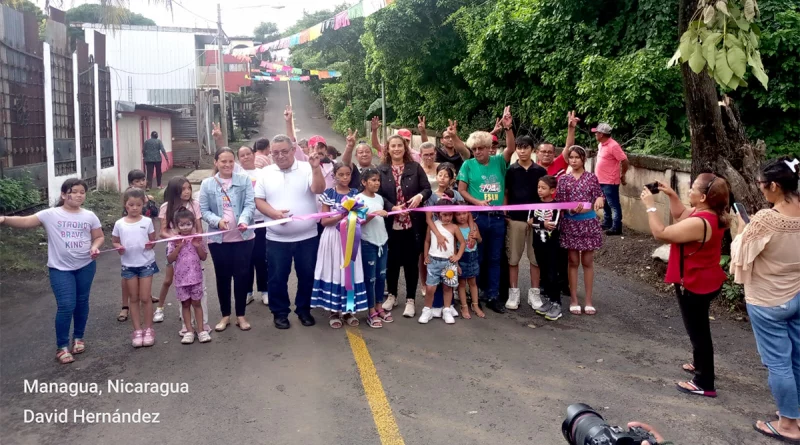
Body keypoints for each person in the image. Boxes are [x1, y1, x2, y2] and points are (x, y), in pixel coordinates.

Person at [641, 173, 730, 398]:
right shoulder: (712, 213)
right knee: (698, 330)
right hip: (708, 278)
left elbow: (661, 233)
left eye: (692, 189)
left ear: (702, 197)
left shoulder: (700, 222)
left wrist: (651, 207)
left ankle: (704, 382)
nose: (688, 191)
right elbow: (680, 213)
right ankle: (700, 363)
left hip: (695, 282)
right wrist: (671, 195)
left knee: (698, 332)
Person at [730, 157, 800, 441]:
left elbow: (741, 254)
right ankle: (794, 413)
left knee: (778, 363)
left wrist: (740, 229)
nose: (760, 189)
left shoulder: (767, 219)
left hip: (767, 299)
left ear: (774, 185)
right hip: (796, 292)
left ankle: (787, 425)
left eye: (761, 184)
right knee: (796, 357)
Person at [0, 179, 103, 364]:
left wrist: (95, 247)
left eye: (82, 192)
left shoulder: (89, 216)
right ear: (64, 194)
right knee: (66, 305)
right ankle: (62, 347)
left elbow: (99, 237)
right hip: (60, 268)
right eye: (75, 191)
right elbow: (25, 221)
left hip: (86, 266)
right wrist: (5, 219)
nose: (79, 195)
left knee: (82, 302)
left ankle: (78, 338)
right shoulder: (50, 214)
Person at [255, 135, 326, 330]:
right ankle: (280, 313)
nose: (279, 156)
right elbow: (259, 200)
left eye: (284, 151)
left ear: (293, 150)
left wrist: (315, 168)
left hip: (308, 236)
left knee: (307, 274)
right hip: (276, 238)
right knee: (277, 277)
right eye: (275, 152)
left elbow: (319, 189)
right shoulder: (266, 172)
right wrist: (273, 213)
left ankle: (304, 310)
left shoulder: (307, 167)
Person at [456, 107, 516, 313]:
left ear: (488, 147)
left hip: (497, 218)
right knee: (476, 256)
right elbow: (462, 190)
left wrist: (508, 128)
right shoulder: (468, 166)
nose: (477, 152)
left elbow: (511, 149)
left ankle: (493, 295)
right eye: (474, 149)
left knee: (495, 257)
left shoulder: (499, 162)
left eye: (481, 148)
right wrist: (476, 202)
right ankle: (477, 293)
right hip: (477, 218)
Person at [199, 147, 256, 332]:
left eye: (231, 161)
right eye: (223, 161)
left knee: (242, 276)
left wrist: (243, 220)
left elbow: (249, 204)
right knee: (222, 277)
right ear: (216, 162)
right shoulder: (207, 184)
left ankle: (241, 315)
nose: (227, 165)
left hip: (244, 237)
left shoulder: (244, 179)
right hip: (218, 240)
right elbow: (204, 210)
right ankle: (225, 315)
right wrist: (217, 221)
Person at [376, 134, 432, 318]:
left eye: (400, 145)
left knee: (410, 263)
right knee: (391, 262)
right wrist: (392, 207)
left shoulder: (415, 167)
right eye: (393, 146)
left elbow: (427, 188)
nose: (397, 149)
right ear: (388, 149)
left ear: (405, 148)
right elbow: (377, 195)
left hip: (412, 224)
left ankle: (410, 299)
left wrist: (420, 197)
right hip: (390, 224)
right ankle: (392, 295)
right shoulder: (381, 169)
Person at [311, 162, 368, 328]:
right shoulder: (328, 194)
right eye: (341, 174)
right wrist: (341, 215)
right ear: (334, 176)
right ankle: (334, 311)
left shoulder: (356, 194)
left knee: (350, 273)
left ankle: (349, 310)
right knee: (334, 272)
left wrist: (356, 216)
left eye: (348, 174)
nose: (345, 178)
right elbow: (324, 221)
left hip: (351, 238)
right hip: (332, 239)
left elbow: (362, 217)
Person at [155, 176, 208, 336]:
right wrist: (175, 237)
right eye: (183, 189)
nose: (187, 192)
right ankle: (187, 325)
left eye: (189, 188)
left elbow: (199, 228)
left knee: (200, 286)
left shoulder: (195, 205)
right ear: (174, 191)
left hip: (193, 251)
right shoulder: (166, 207)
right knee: (181, 286)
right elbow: (162, 230)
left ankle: (203, 324)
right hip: (176, 250)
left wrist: (196, 239)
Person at [557, 146, 605, 316]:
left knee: (587, 261)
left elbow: (599, 196)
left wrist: (600, 199)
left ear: (583, 159)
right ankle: (574, 299)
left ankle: (589, 301)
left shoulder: (592, 178)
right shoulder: (563, 180)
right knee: (572, 261)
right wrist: (571, 210)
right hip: (570, 223)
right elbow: (561, 204)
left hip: (588, 224)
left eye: (577, 157)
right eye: (571, 157)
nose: (574, 160)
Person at [504, 134, 547, 310]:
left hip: (536, 221)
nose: (522, 151)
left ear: (532, 150)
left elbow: (545, 196)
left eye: (526, 147)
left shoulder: (540, 171)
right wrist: (506, 212)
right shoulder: (510, 170)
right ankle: (513, 293)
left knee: (535, 258)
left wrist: (540, 217)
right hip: (515, 220)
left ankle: (534, 293)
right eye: (519, 147)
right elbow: (506, 193)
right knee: (513, 258)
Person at [112, 188, 158, 348]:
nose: (134, 208)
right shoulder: (119, 223)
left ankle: (149, 329)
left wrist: (151, 244)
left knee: (145, 297)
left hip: (145, 264)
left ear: (142, 205)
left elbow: (153, 241)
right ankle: (137, 331)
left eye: (138, 205)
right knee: (134, 298)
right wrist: (118, 247)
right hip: (128, 266)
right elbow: (115, 241)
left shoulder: (147, 222)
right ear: (125, 205)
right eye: (131, 205)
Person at [167, 208, 211, 345]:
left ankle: (201, 329)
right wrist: (178, 247)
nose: (185, 227)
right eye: (182, 224)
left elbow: (203, 257)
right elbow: (169, 259)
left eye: (188, 224)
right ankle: (189, 331)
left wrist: (197, 246)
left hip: (196, 278)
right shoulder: (174, 241)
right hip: (181, 280)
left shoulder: (197, 238)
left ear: (193, 224)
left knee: (197, 304)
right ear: (176, 226)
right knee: (185, 304)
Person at [420, 200, 467, 324]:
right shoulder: (433, 225)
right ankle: (427, 310)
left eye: (450, 215)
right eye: (445, 215)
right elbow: (427, 241)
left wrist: (457, 256)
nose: (448, 217)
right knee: (430, 288)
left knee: (448, 288)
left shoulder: (454, 227)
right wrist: (426, 256)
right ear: (439, 213)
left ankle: (446, 310)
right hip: (433, 261)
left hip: (448, 262)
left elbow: (462, 242)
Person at [358, 168, 393, 328]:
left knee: (381, 276)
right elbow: (357, 222)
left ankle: (380, 306)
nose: (376, 183)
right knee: (369, 278)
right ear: (364, 182)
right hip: (368, 243)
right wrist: (373, 215)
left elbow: (390, 210)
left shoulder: (379, 198)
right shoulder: (358, 199)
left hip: (382, 242)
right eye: (372, 180)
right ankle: (370, 310)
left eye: (378, 180)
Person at [238, 146, 269, 306]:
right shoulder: (236, 174)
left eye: (248, 154)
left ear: (253, 155)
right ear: (239, 159)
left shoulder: (263, 173)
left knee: (261, 257)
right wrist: (219, 139)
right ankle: (248, 291)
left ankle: (265, 290)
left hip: (262, 222)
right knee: (246, 259)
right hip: (244, 224)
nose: (245, 157)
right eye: (242, 155)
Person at [530, 175, 564, 320]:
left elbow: (553, 224)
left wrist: (539, 223)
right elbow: (529, 221)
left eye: (543, 188)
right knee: (543, 273)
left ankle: (557, 304)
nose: (539, 190)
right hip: (538, 244)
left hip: (552, 246)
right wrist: (542, 223)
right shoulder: (534, 204)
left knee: (552, 274)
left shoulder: (556, 206)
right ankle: (549, 301)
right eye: (538, 187)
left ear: (552, 190)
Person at [592, 123, 629, 236]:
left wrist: (623, 174)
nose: (595, 134)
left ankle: (616, 227)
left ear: (602, 134)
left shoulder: (613, 146)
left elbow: (624, 160)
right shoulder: (601, 144)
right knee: (606, 203)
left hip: (610, 181)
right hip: (601, 180)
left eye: (597, 133)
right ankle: (607, 223)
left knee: (613, 204)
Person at [455, 211, 484, 319]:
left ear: (468, 214)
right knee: (461, 283)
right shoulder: (456, 227)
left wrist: (477, 236)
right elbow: (454, 246)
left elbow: (480, 240)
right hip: (462, 257)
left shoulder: (474, 226)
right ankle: (464, 306)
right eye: (458, 214)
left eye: (464, 213)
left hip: (473, 256)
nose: (461, 216)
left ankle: (475, 305)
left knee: (473, 282)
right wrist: (456, 263)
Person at [535, 111, 579, 178]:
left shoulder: (559, 163)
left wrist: (571, 128)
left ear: (554, 154)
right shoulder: (532, 169)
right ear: (537, 153)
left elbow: (569, 146)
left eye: (550, 152)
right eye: (543, 152)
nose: (546, 154)